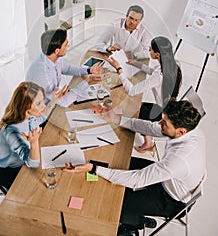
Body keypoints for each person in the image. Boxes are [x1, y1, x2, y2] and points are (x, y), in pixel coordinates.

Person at [63, 99, 206, 235]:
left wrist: (94, 169)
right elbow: (150, 127)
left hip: (170, 199)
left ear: (181, 132)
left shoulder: (180, 159)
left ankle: (136, 223)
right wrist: (115, 118)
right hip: (169, 177)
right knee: (115, 163)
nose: (159, 123)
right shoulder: (190, 130)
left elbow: (136, 180)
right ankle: (133, 216)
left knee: (112, 200)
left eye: (164, 123)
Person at [106, 36, 182, 152]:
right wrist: (135, 64)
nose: (149, 51)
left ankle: (148, 143)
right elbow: (153, 71)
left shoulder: (159, 76)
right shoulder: (173, 65)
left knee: (134, 111)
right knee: (137, 107)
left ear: (157, 54)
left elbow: (132, 90)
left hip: (161, 112)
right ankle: (148, 143)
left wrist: (119, 69)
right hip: (167, 106)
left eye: (151, 50)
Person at [0, 81, 67, 190]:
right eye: (38, 103)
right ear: (25, 106)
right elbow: (33, 163)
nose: (43, 106)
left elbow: (41, 118)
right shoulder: (13, 132)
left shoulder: (27, 116)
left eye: (42, 101)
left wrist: (54, 101)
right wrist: (34, 143)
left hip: (23, 162)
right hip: (11, 172)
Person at [26, 28, 103, 107]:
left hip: (53, 101)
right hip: (43, 110)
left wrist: (89, 70)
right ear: (57, 51)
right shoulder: (42, 74)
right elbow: (64, 102)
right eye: (66, 45)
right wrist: (87, 81)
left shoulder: (53, 57)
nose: (68, 46)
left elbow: (66, 68)